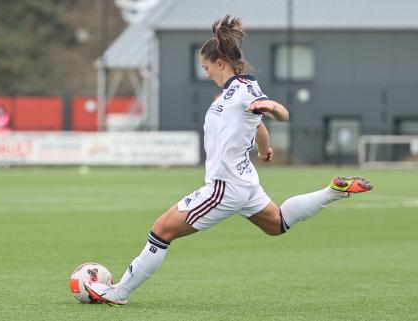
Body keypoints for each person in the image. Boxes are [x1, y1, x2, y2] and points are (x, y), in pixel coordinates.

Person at [84, 16, 373, 305]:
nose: (206, 72)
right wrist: (265, 148)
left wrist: (271, 106)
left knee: (161, 230)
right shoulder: (230, 93)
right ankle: (333, 192)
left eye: (206, 67)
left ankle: (119, 292)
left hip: (224, 187)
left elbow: (279, 113)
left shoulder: (246, 90)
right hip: (245, 183)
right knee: (278, 224)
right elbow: (256, 124)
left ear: (220, 63)